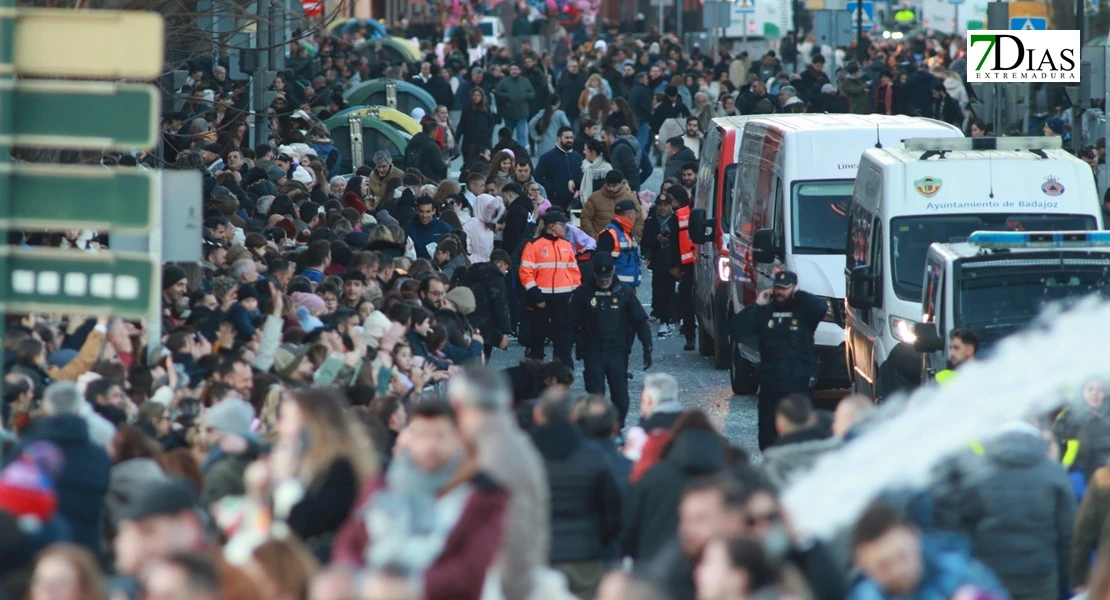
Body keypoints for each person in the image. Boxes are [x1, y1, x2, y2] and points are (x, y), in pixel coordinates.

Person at [530, 388, 622, 598]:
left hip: (540, 554)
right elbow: (612, 512)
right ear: (573, 416)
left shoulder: (526, 455)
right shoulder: (594, 456)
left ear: (538, 414)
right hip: (585, 554)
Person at [731, 271, 827, 451]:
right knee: (768, 434)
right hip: (771, 381)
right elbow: (738, 328)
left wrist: (799, 294)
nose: (780, 292)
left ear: (794, 288)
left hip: (798, 381)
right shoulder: (766, 310)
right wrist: (757, 305)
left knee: (800, 432)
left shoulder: (804, 310)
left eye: (785, 288)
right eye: (778, 288)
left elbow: (821, 308)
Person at [850, 502, 1009, 600]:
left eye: (902, 556)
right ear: (863, 565)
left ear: (915, 536)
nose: (897, 571)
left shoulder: (963, 574)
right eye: (882, 566)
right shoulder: (862, 597)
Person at [569, 253, 652, 428]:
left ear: (613, 270)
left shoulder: (624, 291)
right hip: (593, 349)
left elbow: (640, 320)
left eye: (607, 279)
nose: (604, 282)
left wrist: (647, 347)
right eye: (601, 279)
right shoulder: (583, 293)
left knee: (620, 395)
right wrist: (565, 352)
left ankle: (617, 426)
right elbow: (569, 324)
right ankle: (595, 428)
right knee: (595, 393)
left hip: (618, 348)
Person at [519, 210, 581, 367]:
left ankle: (561, 369)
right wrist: (536, 295)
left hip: (563, 298)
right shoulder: (533, 245)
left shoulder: (566, 245)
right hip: (541, 299)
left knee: (562, 337)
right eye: (562, 225)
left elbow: (573, 271)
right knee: (537, 337)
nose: (566, 228)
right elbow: (526, 272)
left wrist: (575, 294)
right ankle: (536, 369)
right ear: (551, 226)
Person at [641, 192, 679, 336]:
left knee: (674, 291)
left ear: (670, 206)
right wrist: (656, 239)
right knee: (660, 291)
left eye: (666, 205)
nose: (662, 208)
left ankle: (676, 316)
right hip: (659, 262)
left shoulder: (676, 220)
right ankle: (665, 320)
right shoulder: (651, 222)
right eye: (660, 205)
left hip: (674, 260)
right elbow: (644, 241)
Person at [595, 198, 644, 289]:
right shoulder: (610, 234)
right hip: (615, 288)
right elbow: (601, 263)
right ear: (630, 215)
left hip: (626, 288)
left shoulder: (625, 232)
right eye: (634, 214)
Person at [533, 127, 584, 212]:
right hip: (556, 202)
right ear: (559, 138)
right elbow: (537, 176)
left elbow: (581, 174)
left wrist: (576, 183)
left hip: (576, 203)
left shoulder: (577, 156)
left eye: (571, 138)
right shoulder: (548, 157)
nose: (570, 140)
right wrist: (553, 189)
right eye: (566, 138)